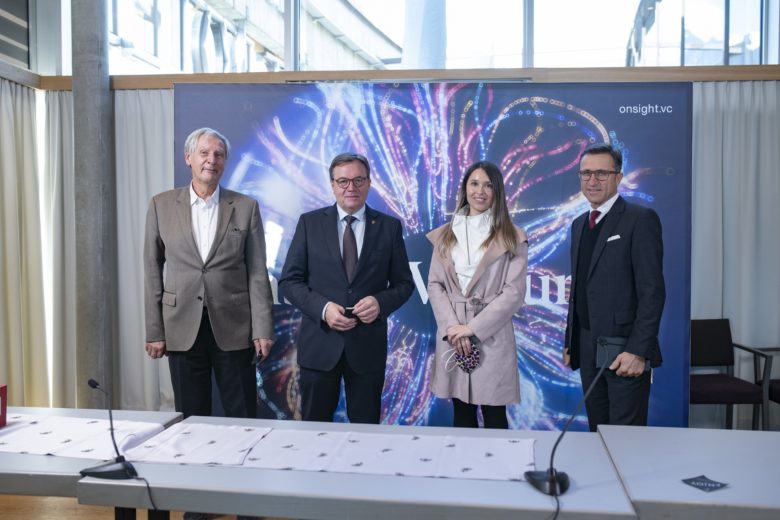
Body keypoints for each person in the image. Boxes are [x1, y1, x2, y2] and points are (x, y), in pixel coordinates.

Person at [144, 127, 274, 419]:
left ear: (225, 162)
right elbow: (152, 269)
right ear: (188, 157)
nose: (211, 160)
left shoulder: (245, 207)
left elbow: (257, 271)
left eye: (219, 154)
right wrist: (155, 330)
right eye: (204, 153)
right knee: (190, 417)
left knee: (242, 414)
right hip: (180, 327)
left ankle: (242, 465)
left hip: (235, 327)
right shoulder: (161, 205)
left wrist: (263, 328)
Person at [279, 152, 414, 424]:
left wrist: (379, 303)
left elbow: (404, 284)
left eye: (357, 180)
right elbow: (289, 282)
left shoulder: (388, 227)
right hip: (319, 346)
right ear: (332, 184)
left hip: (367, 350)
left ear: (368, 183)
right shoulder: (310, 223)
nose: (350, 188)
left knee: (366, 433)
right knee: (315, 431)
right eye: (342, 181)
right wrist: (324, 309)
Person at [564, 143, 665, 431]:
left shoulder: (640, 219)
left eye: (601, 173)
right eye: (585, 173)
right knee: (597, 432)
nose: (592, 181)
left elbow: (652, 292)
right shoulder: (579, 224)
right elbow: (581, 288)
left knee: (625, 439)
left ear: (618, 177)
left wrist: (638, 350)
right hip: (587, 348)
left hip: (624, 351)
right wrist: (571, 342)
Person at [426, 161, 528, 429]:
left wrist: (471, 330)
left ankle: (502, 471)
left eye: (488, 185)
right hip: (453, 335)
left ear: (497, 192)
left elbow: (513, 292)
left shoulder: (513, 237)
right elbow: (435, 285)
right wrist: (453, 329)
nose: (480, 191)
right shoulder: (445, 236)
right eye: (474, 183)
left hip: (491, 335)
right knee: (462, 414)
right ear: (465, 188)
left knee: (495, 415)